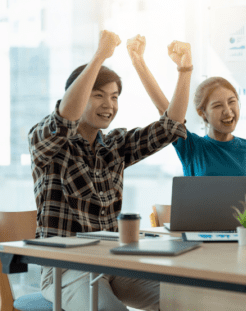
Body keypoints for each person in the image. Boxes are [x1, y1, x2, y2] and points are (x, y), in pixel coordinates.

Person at [28, 30, 193, 311]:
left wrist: (185, 70)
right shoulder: (48, 143)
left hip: (114, 262)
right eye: (99, 95)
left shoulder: (115, 144)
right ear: (78, 95)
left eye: (115, 97)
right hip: (65, 268)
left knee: (184, 300)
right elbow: (65, 119)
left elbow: (170, 126)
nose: (109, 105)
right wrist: (100, 56)